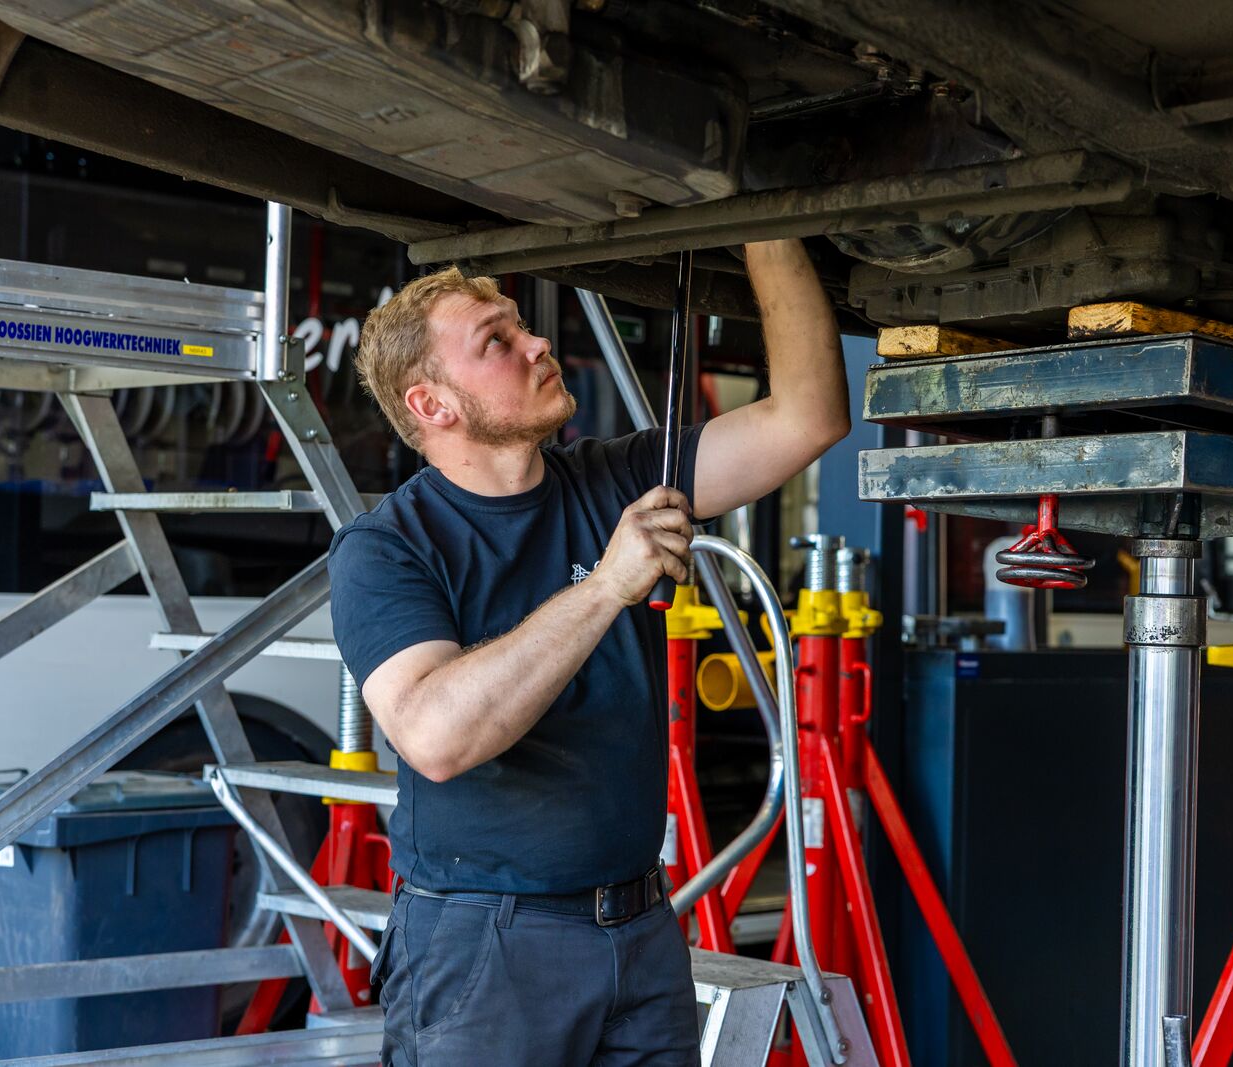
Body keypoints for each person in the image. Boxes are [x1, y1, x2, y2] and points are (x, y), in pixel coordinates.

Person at [329, 239, 848, 1065]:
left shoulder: (618, 478)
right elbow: (434, 736)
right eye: (496, 341)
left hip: (639, 926)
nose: (538, 344)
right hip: (484, 948)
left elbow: (809, 416)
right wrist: (608, 584)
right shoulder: (388, 549)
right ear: (432, 405)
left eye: (522, 328)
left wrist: (769, 224)